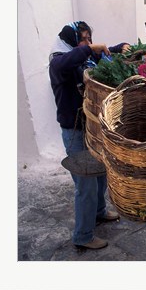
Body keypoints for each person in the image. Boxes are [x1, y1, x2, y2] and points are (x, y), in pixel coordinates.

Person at [49, 21, 130, 249]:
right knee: (85, 186)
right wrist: (89, 49)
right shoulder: (57, 62)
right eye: (84, 39)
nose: (88, 43)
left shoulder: (83, 58)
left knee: (100, 173)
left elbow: (96, 56)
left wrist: (118, 48)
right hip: (74, 132)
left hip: (90, 129)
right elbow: (69, 61)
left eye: (89, 38)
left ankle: (99, 212)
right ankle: (83, 236)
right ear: (72, 41)